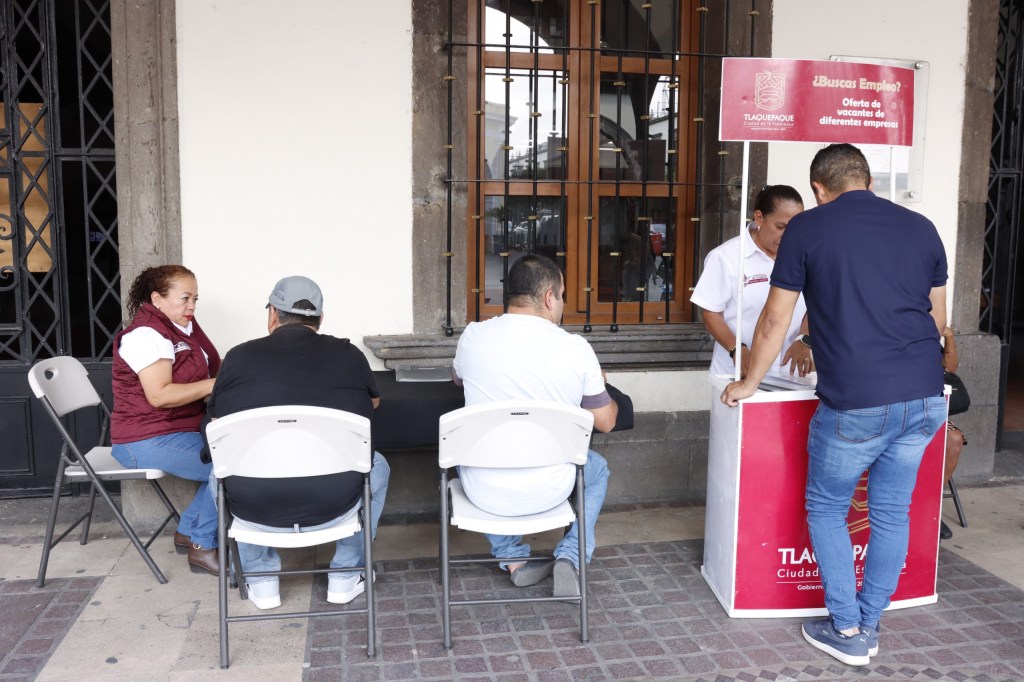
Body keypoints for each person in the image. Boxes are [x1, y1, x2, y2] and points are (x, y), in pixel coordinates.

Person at [722, 144, 948, 666]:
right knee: (892, 513)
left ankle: (846, 627)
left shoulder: (809, 227)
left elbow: (775, 319)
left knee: (827, 508)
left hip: (857, 402)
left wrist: (750, 382)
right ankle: (869, 622)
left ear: (819, 190)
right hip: (923, 396)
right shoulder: (922, 228)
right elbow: (937, 320)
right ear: (868, 180)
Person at [206, 276, 390, 610]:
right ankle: (346, 574)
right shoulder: (348, 355)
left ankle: (261, 581)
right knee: (375, 465)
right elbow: (372, 406)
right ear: (320, 319)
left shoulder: (236, 357)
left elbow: (218, 423)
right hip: (335, 502)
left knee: (219, 473)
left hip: (253, 505)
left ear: (272, 314)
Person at [452, 254, 617, 598]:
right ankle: (570, 557)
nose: (563, 304)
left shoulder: (472, 336)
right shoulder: (576, 349)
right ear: (548, 297)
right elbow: (605, 422)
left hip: (484, 492)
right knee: (596, 469)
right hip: (552, 488)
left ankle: (513, 560)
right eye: (562, 296)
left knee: (462, 452)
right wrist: (601, 382)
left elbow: (458, 380)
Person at [111, 265, 221, 575]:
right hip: (142, 438)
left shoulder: (181, 326)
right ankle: (203, 545)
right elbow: (160, 395)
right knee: (227, 466)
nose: (192, 307)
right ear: (157, 299)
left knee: (231, 454)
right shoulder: (147, 335)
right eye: (185, 298)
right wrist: (218, 384)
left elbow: (207, 366)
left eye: (195, 299)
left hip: (176, 427)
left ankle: (188, 531)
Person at [691, 184, 813, 380]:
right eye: (780, 227)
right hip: (735, 372)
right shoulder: (726, 257)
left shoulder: (805, 256)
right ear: (759, 218)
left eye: (796, 228)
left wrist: (804, 339)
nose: (789, 236)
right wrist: (737, 350)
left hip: (789, 373)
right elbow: (711, 313)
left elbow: (814, 304)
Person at [939, 326, 967, 540]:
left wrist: (948, 336)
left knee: (954, 438)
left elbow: (951, 369)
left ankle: (932, 506)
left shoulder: (923, 332)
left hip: (929, 409)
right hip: (889, 408)